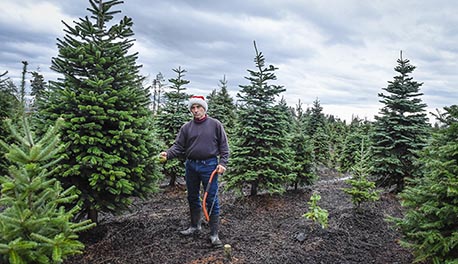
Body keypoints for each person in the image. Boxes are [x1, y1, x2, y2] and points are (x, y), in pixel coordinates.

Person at [160, 95, 229, 248]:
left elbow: (224, 147)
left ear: (204, 108)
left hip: (209, 166)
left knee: (211, 199)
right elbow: (178, 147)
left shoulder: (215, 125)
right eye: (193, 108)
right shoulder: (186, 127)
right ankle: (195, 226)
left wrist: (223, 163)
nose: (195, 110)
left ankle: (214, 234)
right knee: (192, 196)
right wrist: (167, 154)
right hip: (191, 166)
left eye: (198, 107)